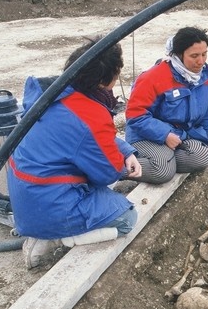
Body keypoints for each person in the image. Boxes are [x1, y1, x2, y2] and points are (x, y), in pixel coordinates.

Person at [8, 36, 142, 269]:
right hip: (51, 205)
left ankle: (46, 230)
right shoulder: (90, 113)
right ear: (106, 78)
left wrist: (125, 150)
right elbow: (107, 173)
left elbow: (78, 140)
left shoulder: (52, 93)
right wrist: (121, 162)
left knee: (97, 183)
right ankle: (52, 239)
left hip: (27, 195)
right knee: (126, 217)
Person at [125, 26, 208, 184]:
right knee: (162, 171)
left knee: (203, 157)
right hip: (145, 136)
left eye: (204, 54)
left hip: (180, 136)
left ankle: (164, 160)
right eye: (194, 56)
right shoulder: (154, 77)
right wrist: (165, 135)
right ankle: (114, 167)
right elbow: (135, 115)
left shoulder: (206, 76)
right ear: (179, 55)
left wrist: (204, 139)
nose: (201, 61)